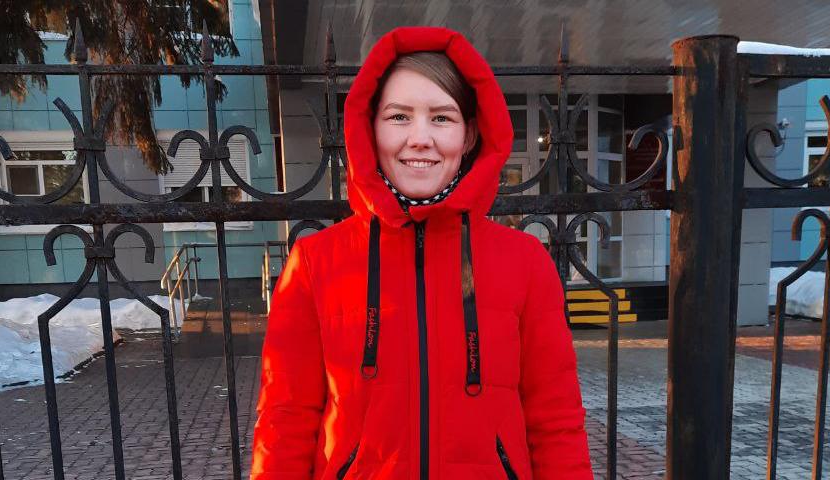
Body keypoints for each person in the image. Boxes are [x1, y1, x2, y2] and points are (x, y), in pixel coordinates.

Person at [251, 26, 593, 479]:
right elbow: (285, 420)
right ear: (370, 128)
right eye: (398, 116)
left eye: (441, 118)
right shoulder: (315, 263)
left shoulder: (525, 263)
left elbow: (556, 421)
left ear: (469, 135)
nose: (419, 138)